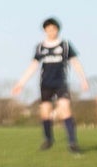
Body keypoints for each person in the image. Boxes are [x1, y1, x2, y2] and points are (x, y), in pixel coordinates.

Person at [12, 18, 89, 153]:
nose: (50, 32)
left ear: (57, 30)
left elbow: (75, 62)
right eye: (48, 30)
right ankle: (48, 139)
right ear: (44, 31)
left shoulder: (65, 45)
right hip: (46, 84)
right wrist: (21, 83)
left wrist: (83, 79)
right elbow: (33, 65)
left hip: (61, 83)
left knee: (65, 109)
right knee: (45, 112)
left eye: (53, 29)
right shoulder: (41, 47)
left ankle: (72, 143)